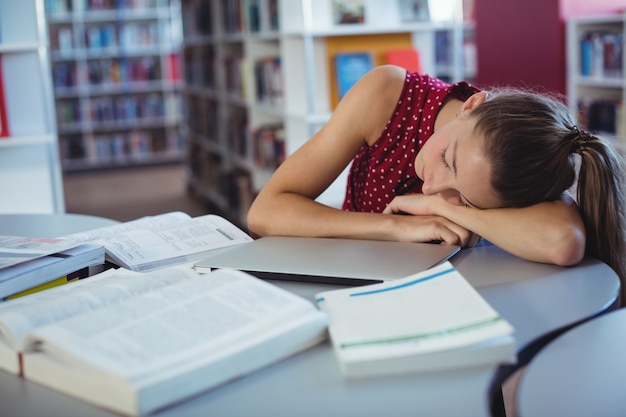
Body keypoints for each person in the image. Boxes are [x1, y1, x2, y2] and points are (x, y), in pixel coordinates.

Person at [247, 65, 626, 299]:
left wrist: (439, 208)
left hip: (434, 305)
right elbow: (266, 211)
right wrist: (396, 227)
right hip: (343, 284)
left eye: (463, 197)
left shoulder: (518, 168)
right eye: (447, 159)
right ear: (472, 106)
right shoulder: (387, 95)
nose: (431, 187)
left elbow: (562, 242)